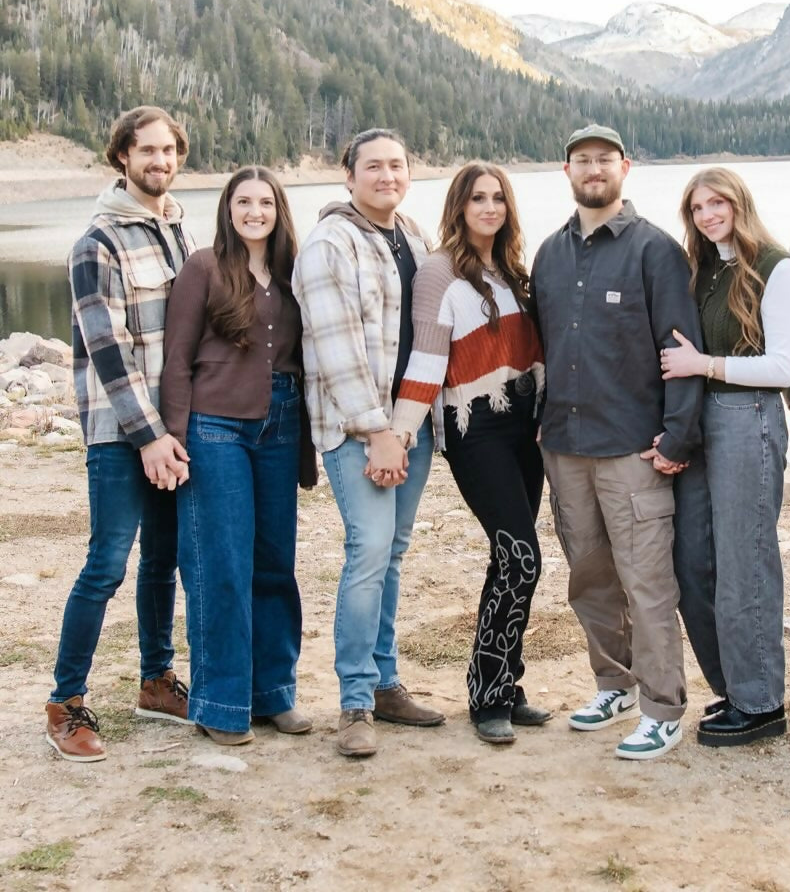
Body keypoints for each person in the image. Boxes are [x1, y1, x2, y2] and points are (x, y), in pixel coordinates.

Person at [531, 124, 703, 762]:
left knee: (648, 582)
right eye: (583, 159)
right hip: (566, 445)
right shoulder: (549, 254)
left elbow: (679, 349)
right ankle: (615, 684)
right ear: (567, 169)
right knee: (589, 577)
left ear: (625, 167)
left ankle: (662, 708)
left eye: (605, 158)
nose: (593, 168)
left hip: (633, 447)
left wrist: (676, 436)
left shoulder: (655, 250)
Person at [45, 106, 194, 763]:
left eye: (169, 151)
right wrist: (148, 437)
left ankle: (155, 680)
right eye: (146, 151)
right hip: (121, 432)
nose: (159, 161)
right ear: (121, 157)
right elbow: (109, 353)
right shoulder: (97, 241)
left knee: (164, 559)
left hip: (172, 429)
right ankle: (65, 702)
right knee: (108, 562)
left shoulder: (180, 231)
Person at [292, 128, 444, 757]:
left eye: (397, 165)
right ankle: (355, 701)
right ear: (347, 175)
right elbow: (335, 349)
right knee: (368, 554)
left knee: (393, 555)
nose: (387, 175)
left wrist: (407, 427)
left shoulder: (412, 233)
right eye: (373, 166)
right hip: (362, 429)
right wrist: (377, 432)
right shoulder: (331, 242)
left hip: (412, 422)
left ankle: (385, 683)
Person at [161, 166, 314, 746]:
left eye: (266, 202)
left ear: (279, 210)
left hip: (281, 422)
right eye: (243, 201)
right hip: (214, 425)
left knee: (275, 560)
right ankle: (220, 702)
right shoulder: (203, 266)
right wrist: (174, 433)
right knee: (220, 563)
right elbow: (177, 358)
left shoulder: (293, 270)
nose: (255, 211)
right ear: (227, 208)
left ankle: (274, 693)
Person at [398, 162, 548, 745]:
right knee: (522, 556)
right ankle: (487, 693)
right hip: (475, 428)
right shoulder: (439, 272)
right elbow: (429, 359)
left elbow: (535, 353)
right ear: (459, 206)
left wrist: (548, 414)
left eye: (498, 199)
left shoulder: (512, 269)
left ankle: (504, 685)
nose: (489, 208)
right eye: (477, 199)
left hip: (523, 425)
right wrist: (400, 431)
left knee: (509, 561)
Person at [662, 167, 790, 746]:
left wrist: (706, 366)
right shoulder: (702, 270)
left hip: (749, 418)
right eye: (698, 208)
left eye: (718, 202)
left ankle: (761, 701)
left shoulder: (775, 267)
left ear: (740, 203)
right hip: (701, 421)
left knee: (746, 562)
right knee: (693, 559)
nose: (709, 214)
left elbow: (783, 368)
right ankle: (731, 687)